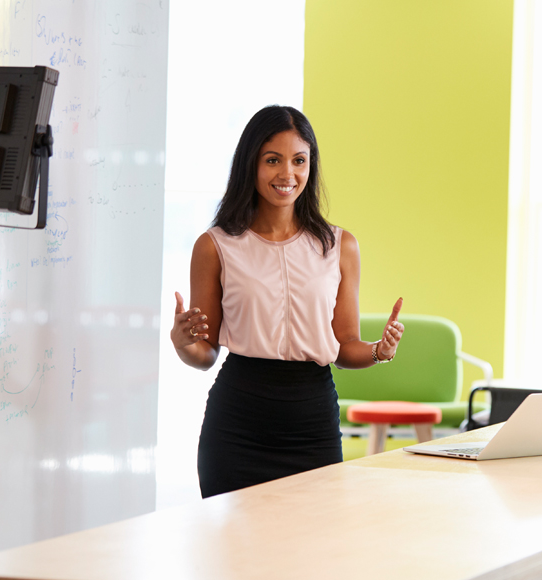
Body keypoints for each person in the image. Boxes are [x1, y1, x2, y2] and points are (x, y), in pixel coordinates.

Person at [170, 105, 405, 497]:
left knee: (314, 551)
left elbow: (345, 347)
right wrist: (183, 343)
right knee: (237, 554)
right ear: (251, 164)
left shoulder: (339, 246)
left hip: (312, 425)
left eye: (299, 160)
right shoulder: (215, 246)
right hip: (237, 427)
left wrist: (380, 351)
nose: (287, 174)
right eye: (273, 160)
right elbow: (205, 354)